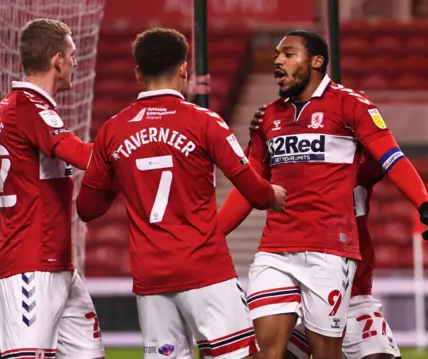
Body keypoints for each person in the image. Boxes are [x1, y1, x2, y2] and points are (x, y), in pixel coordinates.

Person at [216, 30, 428, 359]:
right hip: (276, 249)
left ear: (316, 61)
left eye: (289, 54)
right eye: (277, 55)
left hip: (332, 254)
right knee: (267, 353)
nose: (278, 60)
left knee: (327, 353)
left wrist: (425, 204)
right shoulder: (267, 117)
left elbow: (392, 158)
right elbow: (251, 186)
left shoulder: (352, 106)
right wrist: (211, 236)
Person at [75, 27, 286, 359]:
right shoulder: (204, 121)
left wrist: (122, 174)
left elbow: (86, 208)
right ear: (184, 68)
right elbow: (254, 193)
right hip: (204, 269)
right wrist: (272, 193)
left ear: (137, 72)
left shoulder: (113, 130)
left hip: (150, 276)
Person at [229, 106, 404, 359]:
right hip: (295, 291)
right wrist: (260, 138)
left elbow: (384, 157)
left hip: (352, 295)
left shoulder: (361, 170)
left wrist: (364, 123)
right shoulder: (295, 171)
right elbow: (254, 176)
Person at [0, 18, 103, 359]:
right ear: (57, 60)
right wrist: (127, 143)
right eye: (72, 55)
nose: (76, 63)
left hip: (56, 263)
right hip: (29, 265)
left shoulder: (12, 108)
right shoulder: (30, 107)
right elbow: (79, 154)